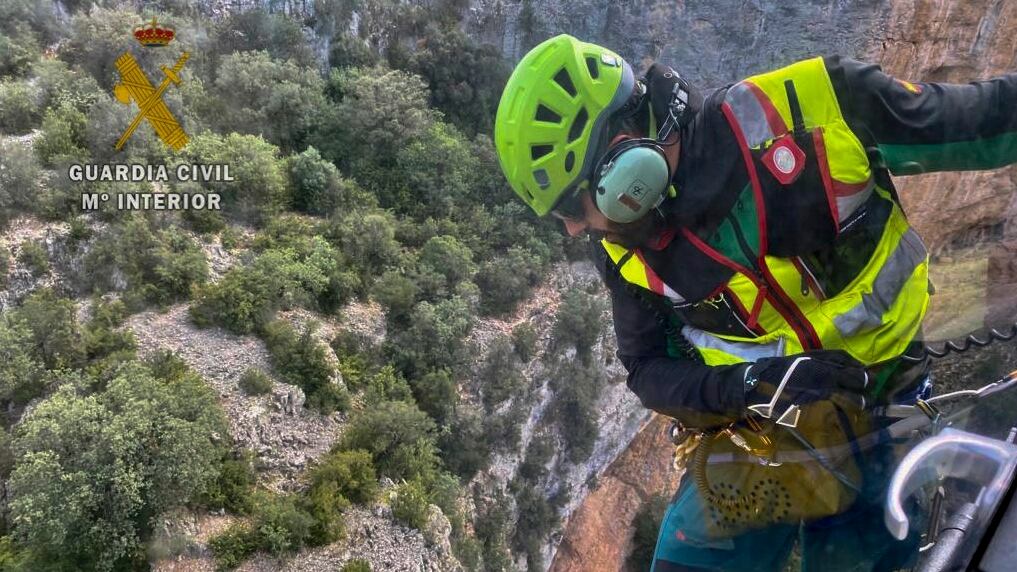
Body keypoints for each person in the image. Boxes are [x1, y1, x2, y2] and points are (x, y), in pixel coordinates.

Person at [493, 34, 1017, 571]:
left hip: (881, 407)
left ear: (622, 161)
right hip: (754, 431)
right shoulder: (625, 250)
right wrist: (750, 385)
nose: (576, 227)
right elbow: (647, 368)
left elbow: (993, 120)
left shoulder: (815, 110)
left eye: (571, 205)